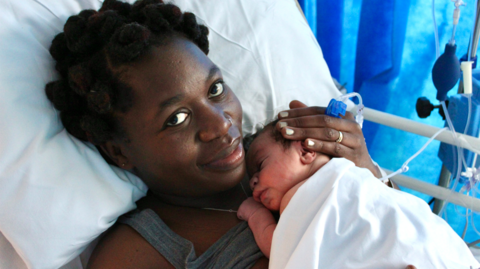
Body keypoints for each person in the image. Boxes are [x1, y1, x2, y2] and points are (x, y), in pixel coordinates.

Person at [45, 0, 385, 268]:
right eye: (177, 118)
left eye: (215, 89)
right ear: (119, 152)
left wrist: (365, 173)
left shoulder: (282, 149)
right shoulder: (136, 255)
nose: (221, 124)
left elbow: (406, 233)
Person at [237, 121, 480, 268]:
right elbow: (288, 245)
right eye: (252, 181)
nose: (254, 181)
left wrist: (256, 216)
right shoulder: (295, 204)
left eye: (260, 165)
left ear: (306, 150)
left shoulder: (345, 172)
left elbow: (275, 243)